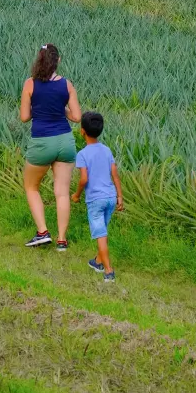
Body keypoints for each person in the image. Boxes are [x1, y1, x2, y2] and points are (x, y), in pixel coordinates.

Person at [20, 43, 81, 251]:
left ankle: (43, 232)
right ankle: (62, 240)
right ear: (58, 61)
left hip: (42, 141)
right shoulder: (67, 85)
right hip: (65, 141)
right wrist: (61, 109)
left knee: (31, 186)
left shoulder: (30, 84)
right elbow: (77, 117)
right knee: (62, 192)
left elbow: (24, 117)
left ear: (39, 60)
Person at [71, 111, 123, 282]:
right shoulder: (107, 150)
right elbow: (115, 174)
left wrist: (77, 195)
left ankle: (108, 271)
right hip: (110, 197)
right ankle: (97, 262)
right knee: (103, 231)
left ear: (82, 131)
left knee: (100, 233)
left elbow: (84, 179)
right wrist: (119, 197)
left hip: (95, 199)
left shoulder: (82, 154)